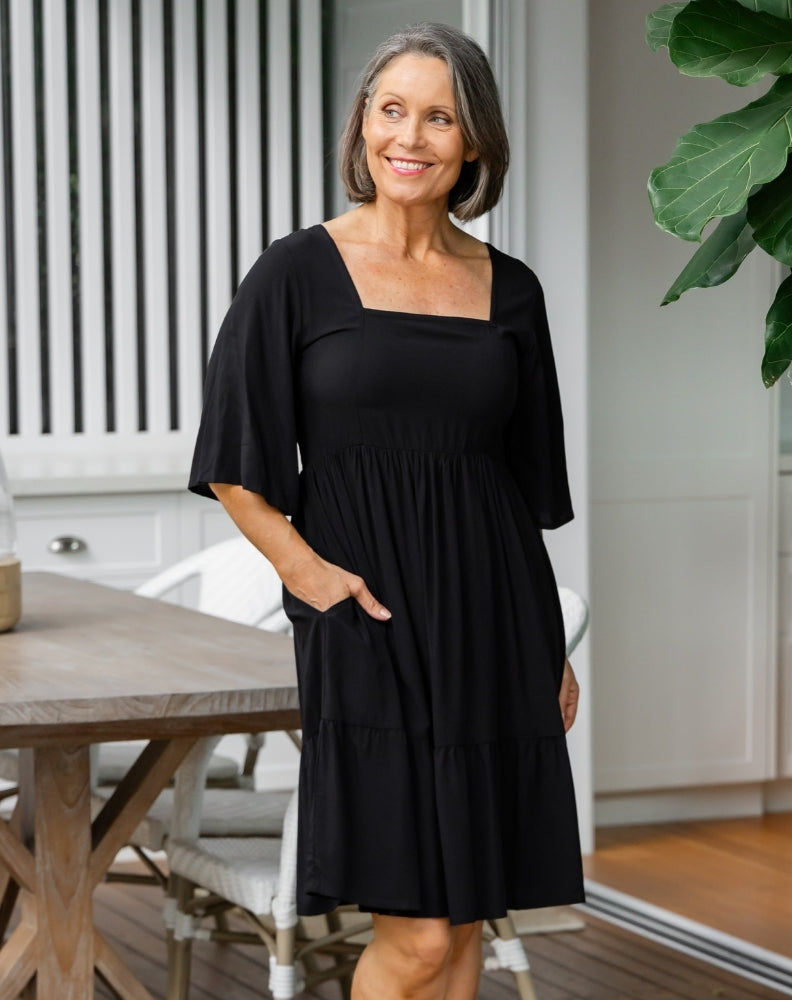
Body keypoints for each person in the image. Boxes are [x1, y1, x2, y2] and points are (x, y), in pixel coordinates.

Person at [189, 21, 583, 1000]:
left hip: (491, 623)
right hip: (363, 616)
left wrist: (549, 649)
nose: (411, 136)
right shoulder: (295, 272)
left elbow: (522, 487)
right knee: (411, 935)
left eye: (439, 116)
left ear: (475, 142)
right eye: (392, 109)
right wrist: (311, 575)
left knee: (459, 934)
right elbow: (236, 464)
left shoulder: (512, 291)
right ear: (364, 125)